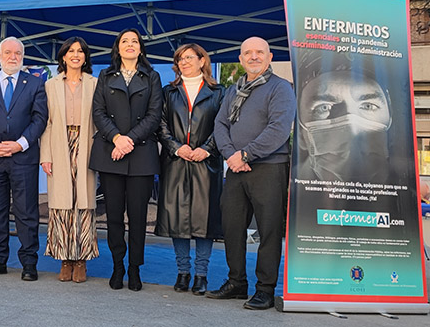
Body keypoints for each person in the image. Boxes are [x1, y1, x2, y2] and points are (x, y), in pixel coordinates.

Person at [209, 36, 295, 310]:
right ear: (241, 59)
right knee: (232, 228)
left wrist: (245, 155)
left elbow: (279, 129)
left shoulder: (281, 89)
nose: (254, 56)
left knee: (268, 230)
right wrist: (232, 156)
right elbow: (220, 124)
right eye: (248, 53)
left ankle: (265, 289)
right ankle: (237, 282)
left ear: (270, 58)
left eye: (260, 52)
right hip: (235, 168)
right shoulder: (234, 90)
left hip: (269, 168)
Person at [89, 28, 163, 292]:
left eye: (134, 41)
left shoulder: (152, 77)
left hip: (140, 155)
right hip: (111, 154)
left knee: (138, 216)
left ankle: (135, 268)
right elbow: (98, 112)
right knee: (114, 218)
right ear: (117, 48)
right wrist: (116, 138)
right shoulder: (105, 75)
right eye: (124, 41)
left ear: (140, 48)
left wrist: (128, 140)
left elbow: (155, 115)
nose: (130, 45)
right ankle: (118, 265)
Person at [0, 37, 48, 281]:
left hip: (23, 157)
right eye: (8, 52)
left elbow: (39, 119)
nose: (12, 57)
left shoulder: (35, 85)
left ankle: (28, 263)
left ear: (23, 56)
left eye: (17, 53)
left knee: (26, 212)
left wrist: (20, 144)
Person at [156, 44, 224, 296]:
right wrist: (176, 147)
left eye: (188, 58)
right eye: (179, 59)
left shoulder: (218, 92)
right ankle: (182, 272)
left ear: (201, 60)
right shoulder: (168, 92)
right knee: (178, 218)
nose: (183, 62)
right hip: (176, 162)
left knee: (203, 221)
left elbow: (223, 125)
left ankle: (201, 275)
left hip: (206, 163)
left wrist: (207, 149)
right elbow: (160, 125)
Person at [39, 36, 99, 283]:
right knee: (61, 203)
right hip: (59, 143)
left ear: (85, 57)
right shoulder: (50, 85)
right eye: (71, 51)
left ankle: (81, 259)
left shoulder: (96, 84)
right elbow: (47, 122)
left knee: (83, 203)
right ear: (63, 56)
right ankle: (64, 259)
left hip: (87, 142)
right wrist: (46, 155)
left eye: (80, 51)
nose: (76, 54)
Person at [296, 59, 391, 183]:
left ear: (390, 118)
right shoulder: (291, 195)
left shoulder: (407, 191)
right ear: (300, 133)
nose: (352, 128)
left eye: (368, 106)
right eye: (323, 107)